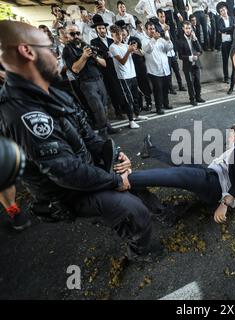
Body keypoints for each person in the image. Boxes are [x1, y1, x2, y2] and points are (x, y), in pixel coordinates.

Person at [0, 20, 162, 261]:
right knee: (130, 208)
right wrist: (115, 180)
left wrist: (115, 154)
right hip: (67, 193)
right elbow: (65, 173)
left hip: (84, 168)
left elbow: (88, 134)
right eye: (48, 47)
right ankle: (139, 251)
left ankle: (162, 212)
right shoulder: (21, 113)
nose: (56, 52)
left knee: (133, 181)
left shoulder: (51, 89)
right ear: (27, 51)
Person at [128, 126, 235, 223]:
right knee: (182, 160)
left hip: (215, 185)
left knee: (181, 175)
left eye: (229, 135)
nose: (227, 139)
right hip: (211, 175)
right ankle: (151, 151)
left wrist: (224, 204)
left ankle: (127, 178)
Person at [62, 24, 115, 138]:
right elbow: (75, 69)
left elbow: (104, 63)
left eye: (77, 33)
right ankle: (103, 133)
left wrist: (95, 56)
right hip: (87, 82)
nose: (76, 36)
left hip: (99, 79)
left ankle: (108, 127)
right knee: (98, 108)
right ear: (67, 36)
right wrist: (84, 56)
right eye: (72, 34)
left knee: (105, 105)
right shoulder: (68, 50)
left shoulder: (85, 45)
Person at [109, 25, 143, 129]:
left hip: (132, 74)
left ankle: (137, 115)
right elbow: (122, 62)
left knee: (136, 96)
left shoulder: (125, 45)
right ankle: (131, 121)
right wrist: (129, 51)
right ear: (112, 36)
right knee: (129, 99)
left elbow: (141, 54)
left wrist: (135, 48)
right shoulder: (112, 47)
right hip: (124, 76)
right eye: (116, 35)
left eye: (120, 34)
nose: (119, 37)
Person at [142, 21, 175, 114]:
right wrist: (154, 39)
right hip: (154, 71)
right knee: (158, 90)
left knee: (165, 88)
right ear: (146, 30)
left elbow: (169, 48)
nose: (152, 31)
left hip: (165, 69)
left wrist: (168, 39)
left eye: (153, 29)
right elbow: (147, 50)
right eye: (150, 29)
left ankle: (166, 103)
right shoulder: (144, 40)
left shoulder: (161, 39)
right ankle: (158, 107)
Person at [178, 21, 206, 106]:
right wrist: (190, 58)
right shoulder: (180, 41)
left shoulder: (194, 38)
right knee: (190, 84)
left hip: (196, 64)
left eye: (189, 28)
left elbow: (200, 51)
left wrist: (195, 39)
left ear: (191, 29)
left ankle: (198, 97)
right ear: (183, 29)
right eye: (186, 28)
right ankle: (192, 99)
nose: (188, 30)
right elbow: (180, 56)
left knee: (197, 82)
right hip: (188, 66)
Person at [217, 2, 235, 84]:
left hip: (232, 42)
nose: (223, 12)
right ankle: (226, 77)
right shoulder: (220, 20)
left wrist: (226, 31)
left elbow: (233, 29)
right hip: (224, 43)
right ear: (220, 13)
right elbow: (221, 29)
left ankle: (234, 76)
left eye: (224, 10)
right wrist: (230, 29)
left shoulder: (232, 18)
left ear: (226, 10)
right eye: (221, 11)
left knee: (234, 60)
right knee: (225, 61)